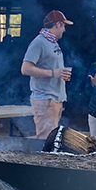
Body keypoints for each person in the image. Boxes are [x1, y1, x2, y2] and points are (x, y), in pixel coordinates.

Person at [20, 10, 73, 139]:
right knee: (45, 139)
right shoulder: (39, 42)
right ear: (57, 24)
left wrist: (61, 74)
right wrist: (53, 73)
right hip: (45, 99)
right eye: (64, 26)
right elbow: (25, 68)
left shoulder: (52, 42)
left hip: (55, 99)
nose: (64, 30)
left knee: (52, 139)